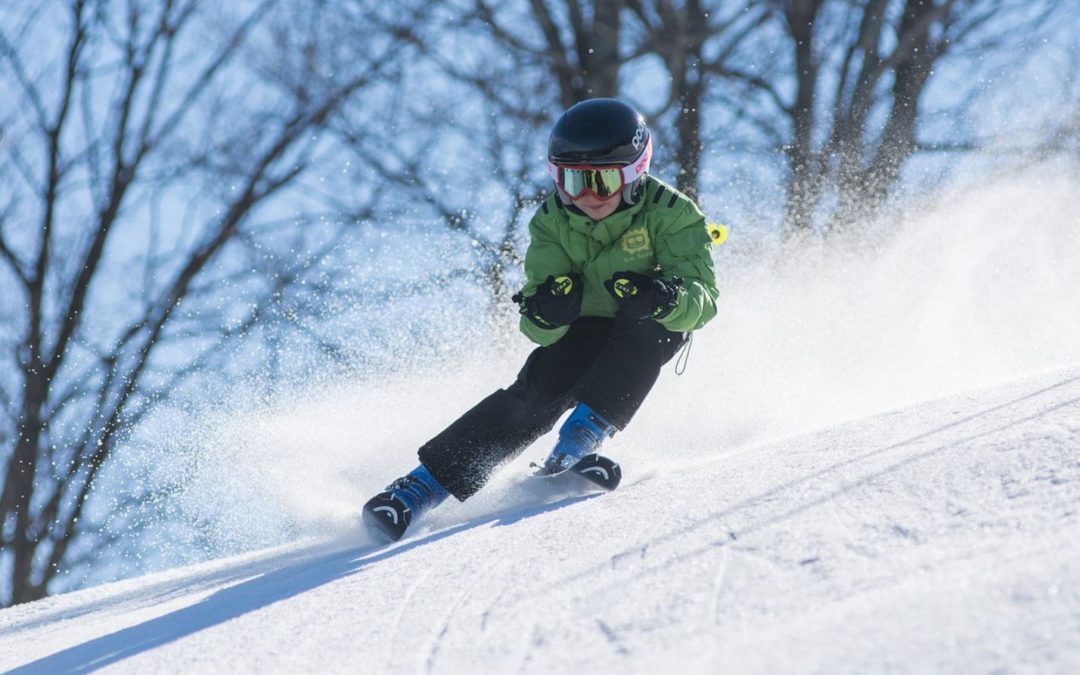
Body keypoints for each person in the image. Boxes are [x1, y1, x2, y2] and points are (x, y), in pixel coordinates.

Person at [362, 98, 719, 541]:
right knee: (539, 389)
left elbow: (703, 301)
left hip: (644, 321)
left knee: (655, 331)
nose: (586, 197)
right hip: (583, 325)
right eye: (571, 181)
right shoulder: (551, 220)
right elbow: (535, 325)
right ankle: (418, 489)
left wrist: (664, 297)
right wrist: (547, 311)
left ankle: (577, 443)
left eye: (602, 181)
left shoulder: (673, 212)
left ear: (634, 173)